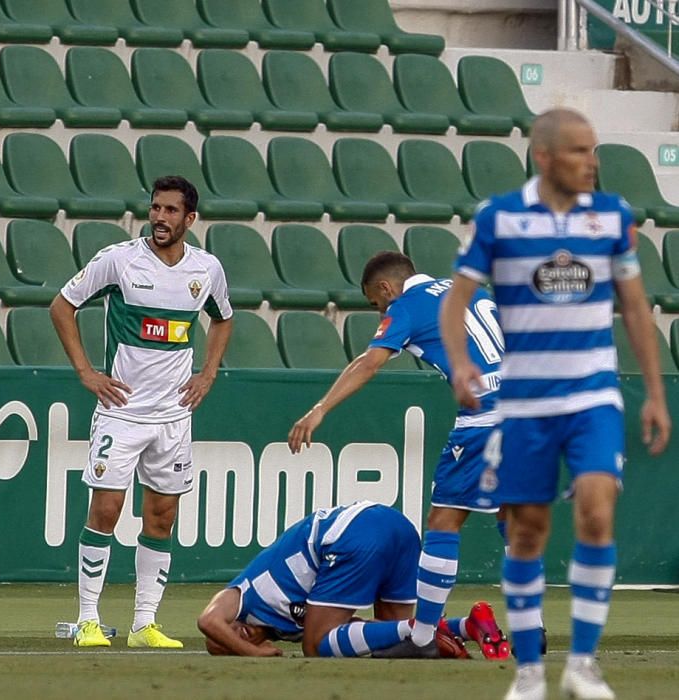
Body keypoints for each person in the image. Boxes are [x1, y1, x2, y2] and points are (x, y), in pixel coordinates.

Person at [440, 108, 671, 700]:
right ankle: (529, 673)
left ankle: (583, 665)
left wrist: (653, 391)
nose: (592, 161)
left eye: (594, 150)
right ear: (544, 157)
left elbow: (636, 306)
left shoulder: (612, 217)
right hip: (524, 403)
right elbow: (456, 298)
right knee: (528, 531)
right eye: (578, 151)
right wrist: (461, 362)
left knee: (597, 507)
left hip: (593, 394)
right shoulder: (500, 219)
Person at [288, 251, 510, 660]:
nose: (380, 313)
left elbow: (369, 362)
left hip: (484, 416)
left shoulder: (406, 306)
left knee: (444, 521)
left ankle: (423, 635)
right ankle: (530, 624)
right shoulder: (473, 291)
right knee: (513, 519)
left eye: (377, 304)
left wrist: (319, 409)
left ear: (386, 289)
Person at [51, 175, 233, 649]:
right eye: (155, 208)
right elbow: (62, 306)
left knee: (162, 517)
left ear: (189, 219)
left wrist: (208, 372)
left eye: (171, 211)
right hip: (122, 411)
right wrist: (87, 372)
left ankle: (143, 625)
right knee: (106, 510)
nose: (160, 218)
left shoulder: (206, 269)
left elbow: (224, 318)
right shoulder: (119, 260)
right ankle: (88, 619)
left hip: (173, 415)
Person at [197, 500, 475, 658]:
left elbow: (208, 621)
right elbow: (356, 629)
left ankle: (420, 628)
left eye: (225, 633)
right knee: (396, 642)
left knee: (316, 646)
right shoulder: (285, 629)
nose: (233, 635)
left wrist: (250, 653)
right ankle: (467, 626)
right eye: (226, 646)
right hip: (396, 529)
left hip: (352, 534)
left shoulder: (242, 592)